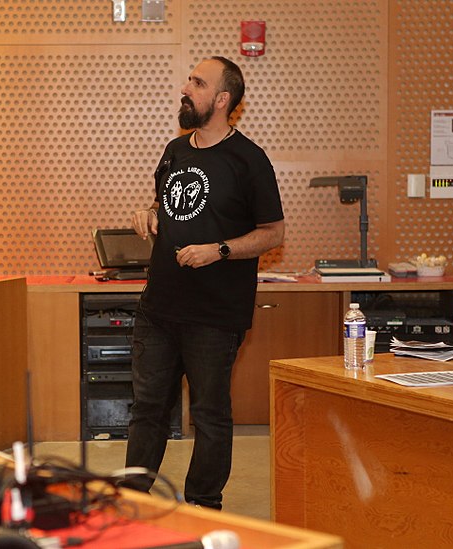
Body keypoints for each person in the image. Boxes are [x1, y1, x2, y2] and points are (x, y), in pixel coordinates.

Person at [125, 55, 285, 510]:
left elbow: (274, 233)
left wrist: (221, 250)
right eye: (189, 79)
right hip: (158, 308)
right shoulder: (176, 150)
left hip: (214, 315)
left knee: (210, 415)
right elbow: (166, 206)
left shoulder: (250, 161)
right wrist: (148, 214)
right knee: (147, 411)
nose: (185, 87)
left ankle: (202, 505)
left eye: (197, 82)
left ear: (221, 99)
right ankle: (133, 502)